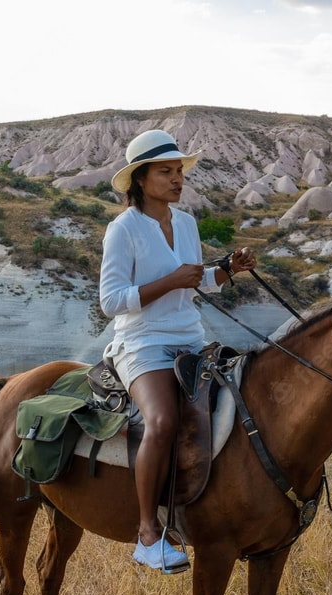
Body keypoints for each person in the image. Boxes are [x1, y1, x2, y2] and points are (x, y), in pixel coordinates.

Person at [99, 129, 257, 572]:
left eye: (179, 172)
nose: (176, 179)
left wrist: (227, 269)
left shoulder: (185, 223)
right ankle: (148, 534)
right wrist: (172, 281)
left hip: (191, 337)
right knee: (163, 420)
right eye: (166, 172)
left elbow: (199, 281)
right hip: (142, 342)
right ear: (141, 178)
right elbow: (110, 301)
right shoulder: (123, 229)